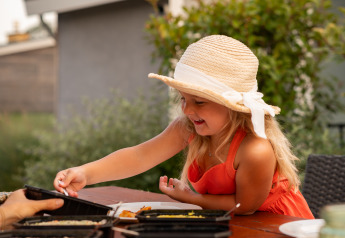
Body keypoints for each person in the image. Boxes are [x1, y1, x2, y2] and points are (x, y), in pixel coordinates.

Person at [54, 35, 314, 219]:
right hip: (226, 221)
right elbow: (139, 156)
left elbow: (244, 206)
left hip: (274, 224)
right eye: (183, 99)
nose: (187, 110)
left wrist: (189, 197)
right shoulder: (189, 127)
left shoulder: (255, 148)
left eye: (199, 101)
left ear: (233, 105)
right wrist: (86, 173)